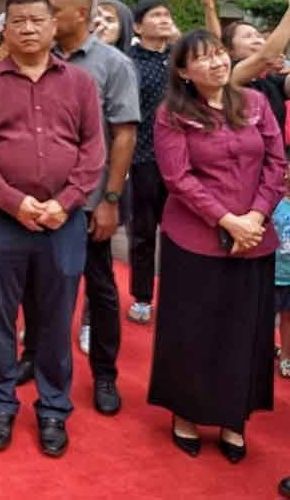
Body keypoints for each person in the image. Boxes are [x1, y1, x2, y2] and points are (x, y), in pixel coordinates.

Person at [0, 0, 104, 457]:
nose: (27, 29)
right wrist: (15, 202)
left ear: (52, 25)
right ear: (5, 26)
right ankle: (1, 404)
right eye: (17, 21)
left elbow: (92, 152)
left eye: (36, 21)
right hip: (1, 220)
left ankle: (53, 408)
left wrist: (65, 203)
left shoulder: (80, 83)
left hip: (62, 221)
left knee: (55, 320)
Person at [148, 30, 284, 462]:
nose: (217, 63)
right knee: (192, 330)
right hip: (195, 238)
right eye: (203, 59)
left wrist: (256, 218)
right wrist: (226, 219)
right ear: (185, 73)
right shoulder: (172, 113)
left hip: (254, 238)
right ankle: (186, 414)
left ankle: (233, 419)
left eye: (220, 54)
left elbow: (277, 163)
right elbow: (178, 177)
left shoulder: (256, 104)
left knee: (245, 332)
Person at [23, 0, 139, 415]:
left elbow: (124, 134)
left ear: (78, 15)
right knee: (36, 283)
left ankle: (104, 374)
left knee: (101, 286)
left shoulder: (112, 64)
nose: (43, 17)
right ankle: (34, 355)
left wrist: (109, 198)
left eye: (52, 10)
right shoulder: (37, 61)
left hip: (89, 200)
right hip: (38, 198)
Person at [126, 0, 175, 324]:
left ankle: (175, 295)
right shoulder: (127, 62)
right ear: (138, 26)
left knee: (178, 234)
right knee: (143, 233)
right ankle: (142, 297)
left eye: (167, 14)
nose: (164, 19)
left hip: (181, 162)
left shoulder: (181, 61)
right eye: (156, 15)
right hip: (142, 158)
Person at [225, 0, 290, 135]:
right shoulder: (228, 75)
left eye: (259, 36)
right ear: (230, 50)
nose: (257, 40)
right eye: (248, 36)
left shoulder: (270, 80)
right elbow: (266, 57)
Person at [273, 167, 290, 378]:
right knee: (263, 318)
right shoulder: (274, 204)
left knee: (288, 318)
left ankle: (286, 356)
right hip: (271, 273)